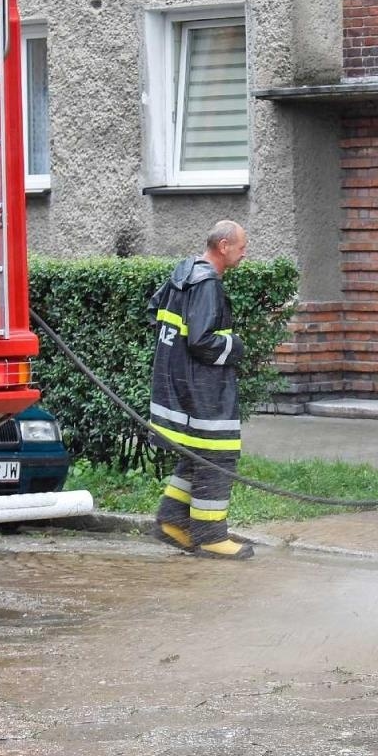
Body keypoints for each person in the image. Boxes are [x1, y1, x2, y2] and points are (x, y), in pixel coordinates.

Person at [147, 221, 254, 560]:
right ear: (223, 246)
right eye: (240, 247)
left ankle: (172, 519)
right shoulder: (207, 283)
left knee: (197, 454)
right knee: (218, 455)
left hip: (174, 388)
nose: (244, 253)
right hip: (201, 392)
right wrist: (235, 345)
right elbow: (202, 340)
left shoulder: (183, 273)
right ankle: (210, 536)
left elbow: (155, 312)